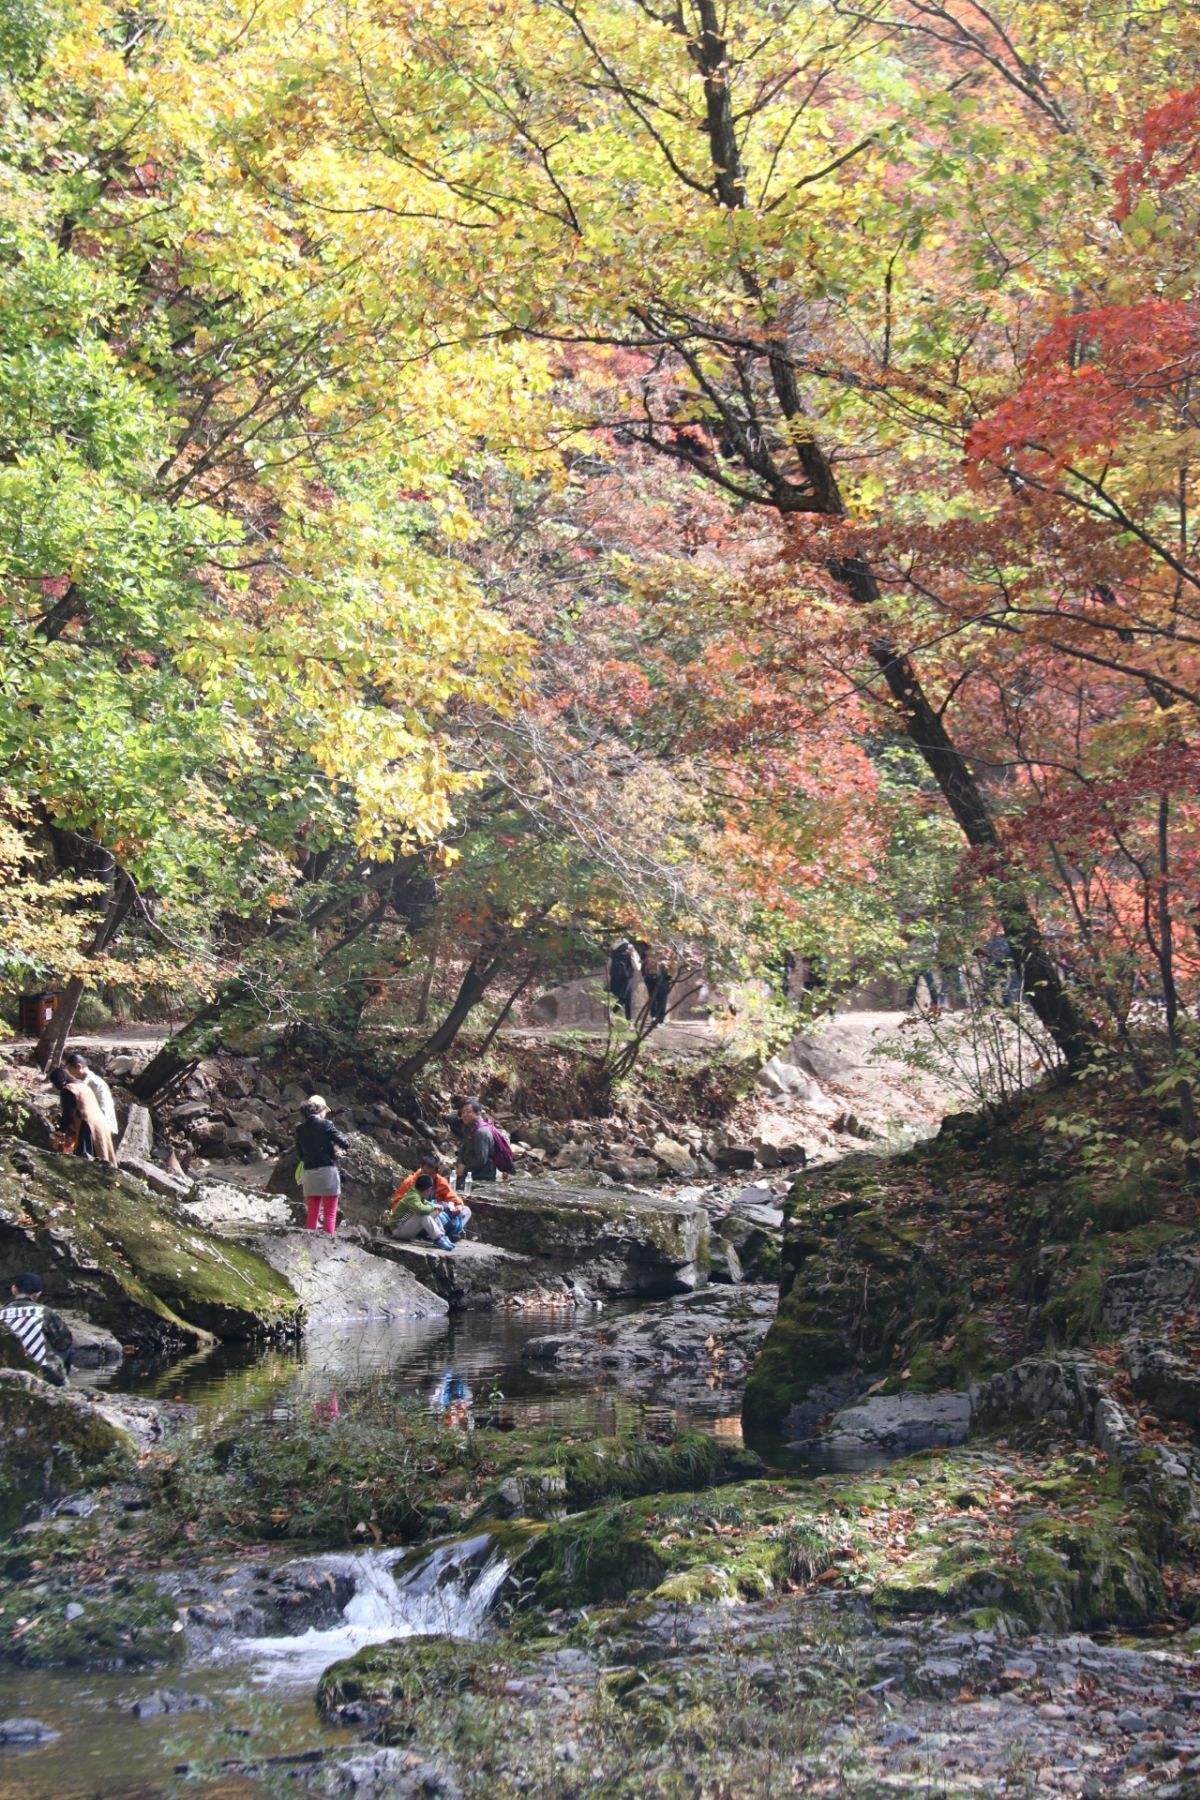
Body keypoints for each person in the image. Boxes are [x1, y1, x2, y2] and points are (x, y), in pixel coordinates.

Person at [0, 1272, 74, 1386]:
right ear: (38, 1294)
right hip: (42, 1373)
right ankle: (62, 1385)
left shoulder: (1, 1313)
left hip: (5, 1368)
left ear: (14, 1289)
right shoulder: (44, 1312)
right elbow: (64, 1343)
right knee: (68, 1348)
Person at [296, 1095, 348, 1236]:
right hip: (327, 1173)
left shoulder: (300, 1129)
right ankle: (328, 1247)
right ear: (320, 1110)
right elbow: (345, 1143)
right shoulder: (326, 1125)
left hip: (309, 1174)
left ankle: (309, 1247)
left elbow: (301, 1156)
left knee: (312, 1215)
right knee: (330, 1215)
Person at [49, 1065, 117, 1166]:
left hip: (87, 1126)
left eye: (55, 1083)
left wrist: (59, 1133)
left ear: (60, 1081)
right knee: (102, 1157)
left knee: (85, 1161)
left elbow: (68, 1114)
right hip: (101, 1125)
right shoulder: (82, 1085)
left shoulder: (69, 1089)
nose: (56, 1087)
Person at [390, 1173, 455, 1249]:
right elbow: (421, 1209)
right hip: (398, 1230)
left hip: (406, 1227)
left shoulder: (419, 1194)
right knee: (423, 1215)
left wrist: (437, 1206)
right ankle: (438, 1239)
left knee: (435, 1210)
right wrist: (433, 1206)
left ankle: (442, 1236)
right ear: (428, 1189)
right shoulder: (413, 1196)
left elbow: (427, 1205)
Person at [63, 1052, 119, 1139]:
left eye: (71, 1072)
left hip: (101, 1129)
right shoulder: (82, 1083)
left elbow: (104, 1108)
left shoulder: (95, 1083)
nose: (71, 1075)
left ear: (79, 1067)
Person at [456, 1098, 497, 1186]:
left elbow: (481, 1160)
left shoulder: (481, 1132)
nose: (464, 1115)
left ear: (477, 1113)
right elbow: (463, 1149)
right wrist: (459, 1163)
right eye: (463, 1112)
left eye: (468, 1111)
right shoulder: (468, 1128)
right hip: (469, 1172)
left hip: (483, 1175)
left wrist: (464, 1168)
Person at [606, 939, 640, 1022]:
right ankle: (612, 1013)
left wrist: (609, 976)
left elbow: (609, 965)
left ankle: (629, 1021)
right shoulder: (630, 948)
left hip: (615, 976)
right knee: (624, 998)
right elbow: (636, 966)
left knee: (628, 998)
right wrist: (633, 955)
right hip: (626, 977)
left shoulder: (613, 949)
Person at [644, 947, 673, 1026]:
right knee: (660, 1001)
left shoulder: (652, 955)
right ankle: (658, 1020)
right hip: (659, 981)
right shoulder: (661, 958)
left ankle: (657, 1019)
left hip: (655, 980)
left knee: (655, 1000)